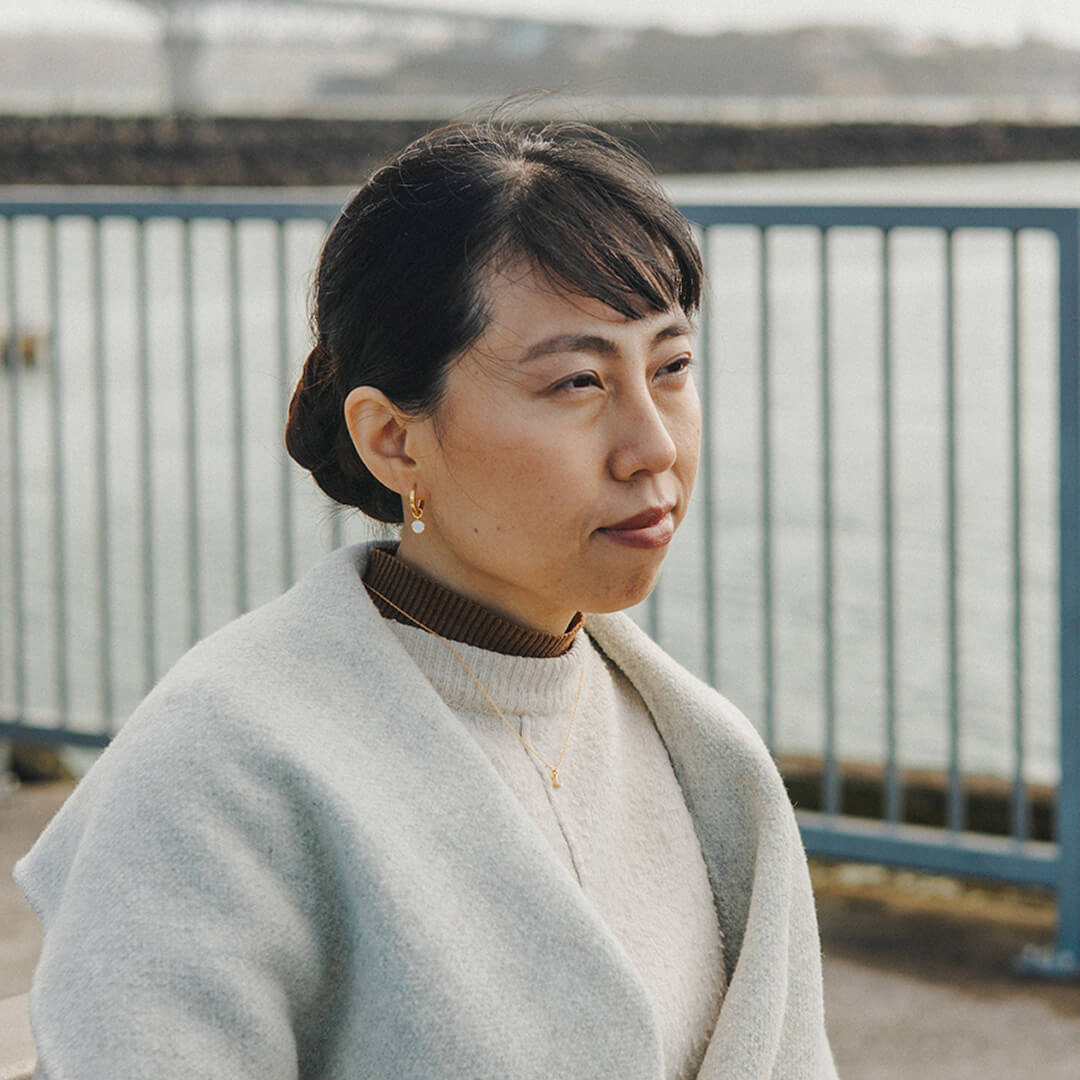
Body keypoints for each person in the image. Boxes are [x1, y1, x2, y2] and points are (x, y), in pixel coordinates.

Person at [16, 120, 837, 1079]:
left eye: (671, 367)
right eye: (578, 381)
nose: (653, 445)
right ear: (394, 441)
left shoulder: (705, 756)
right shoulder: (218, 771)